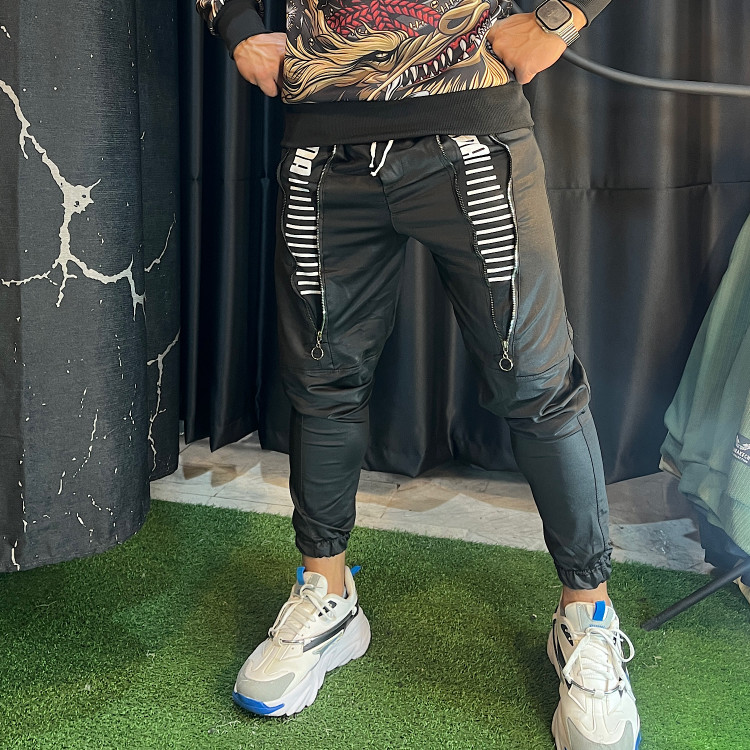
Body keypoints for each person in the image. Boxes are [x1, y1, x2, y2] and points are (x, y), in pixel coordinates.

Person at [196, 0, 640, 747]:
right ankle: (325, 596)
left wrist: (559, 18)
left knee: (538, 386)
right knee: (323, 382)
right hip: (324, 140)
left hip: (473, 130)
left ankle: (586, 617)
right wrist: (236, 27)